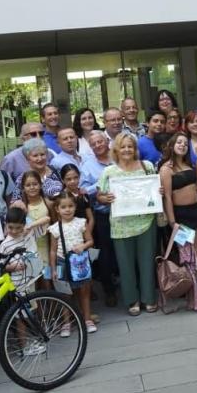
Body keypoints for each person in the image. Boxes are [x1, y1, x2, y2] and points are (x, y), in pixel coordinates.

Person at [98, 134, 161, 316]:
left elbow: (154, 188)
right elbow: (99, 195)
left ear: (135, 149)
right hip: (121, 224)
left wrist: (159, 191)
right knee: (125, 265)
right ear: (116, 149)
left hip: (145, 221)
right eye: (123, 147)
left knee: (146, 262)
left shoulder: (147, 166)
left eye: (130, 147)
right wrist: (106, 198)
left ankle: (148, 298)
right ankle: (132, 300)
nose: (127, 150)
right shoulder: (109, 172)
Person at [53, 170, 97, 332]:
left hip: (80, 260)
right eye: (63, 207)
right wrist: (52, 269)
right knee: (64, 292)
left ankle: (87, 319)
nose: (67, 210)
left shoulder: (81, 222)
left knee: (84, 290)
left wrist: (83, 246)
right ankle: (66, 322)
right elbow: (52, 251)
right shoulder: (54, 228)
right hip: (60, 261)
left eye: (71, 206)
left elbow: (90, 240)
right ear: (57, 209)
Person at [160, 132, 197, 255]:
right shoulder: (166, 168)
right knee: (187, 251)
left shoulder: (188, 164)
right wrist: (172, 221)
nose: (183, 145)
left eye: (186, 144)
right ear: (172, 145)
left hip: (196, 210)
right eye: (179, 142)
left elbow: (194, 185)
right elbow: (167, 197)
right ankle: (188, 275)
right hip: (181, 214)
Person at [86, 130, 119, 307]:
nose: (98, 145)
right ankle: (109, 290)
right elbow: (83, 189)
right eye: (94, 144)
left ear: (107, 141)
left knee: (123, 252)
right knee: (105, 254)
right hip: (103, 214)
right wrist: (99, 186)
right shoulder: (87, 165)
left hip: (124, 213)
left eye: (100, 142)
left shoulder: (119, 156)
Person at [9, 170, 51, 284]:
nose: (32, 187)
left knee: (47, 277)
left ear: (41, 185)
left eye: (35, 184)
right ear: (23, 187)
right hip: (28, 248)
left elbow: (52, 222)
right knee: (32, 279)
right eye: (28, 185)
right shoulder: (21, 206)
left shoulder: (47, 202)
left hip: (46, 246)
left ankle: (50, 298)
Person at [50, 127, 100, 195]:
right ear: (58, 143)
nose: (69, 141)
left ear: (76, 138)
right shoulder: (56, 162)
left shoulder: (89, 157)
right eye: (65, 139)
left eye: (71, 137)